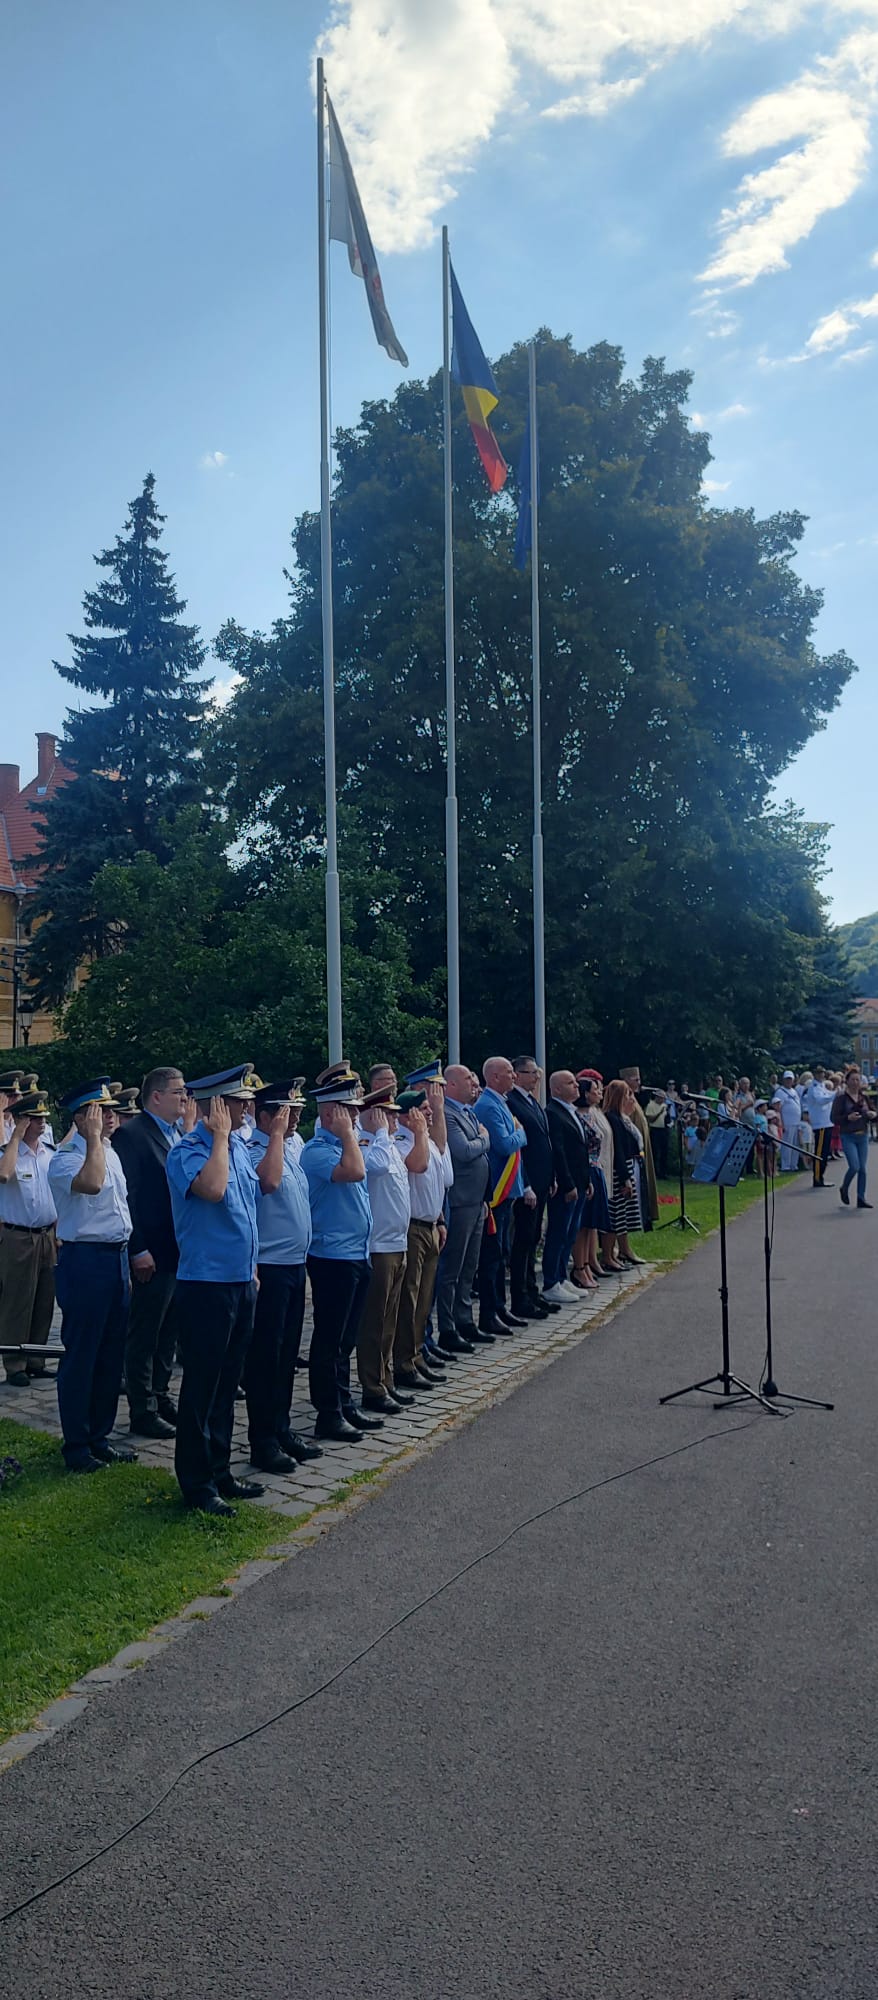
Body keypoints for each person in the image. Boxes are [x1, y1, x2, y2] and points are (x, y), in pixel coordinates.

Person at [166, 1064, 276, 1515]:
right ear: (216, 1107)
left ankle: (220, 1469)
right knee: (202, 1386)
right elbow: (212, 1191)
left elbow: (250, 1209)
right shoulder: (188, 1151)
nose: (246, 1108)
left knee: (229, 1384)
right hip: (205, 1285)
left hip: (239, 1281)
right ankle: (196, 1483)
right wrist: (216, 1138)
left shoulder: (238, 1151)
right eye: (236, 1102)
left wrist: (251, 1268)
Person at [48, 1079, 137, 1474]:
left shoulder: (111, 1153)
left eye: (112, 1110)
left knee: (110, 1354)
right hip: (84, 1261)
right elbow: (91, 1183)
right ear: (83, 1118)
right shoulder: (66, 1157)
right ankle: (77, 1444)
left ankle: (100, 1436)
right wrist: (94, 1139)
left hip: (115, 1258)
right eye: (102, 1112)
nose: (111, 1116)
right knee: (82, 1355)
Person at [243, 1080, 323, 1471]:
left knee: (288, 1355)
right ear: (265, 1116)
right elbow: (268, 1183)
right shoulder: (257, 1148)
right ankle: (263, 1440)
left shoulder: (292, 1147)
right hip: (270, 1269)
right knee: (266, 1358)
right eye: (285, 1112)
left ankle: (282, 1426)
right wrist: (274, 1134)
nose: (294, 1118)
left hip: (294, 1265)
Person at [300, 1063, 380, 1445]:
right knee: (329, 1339)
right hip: (331, 1256)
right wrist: (349, 1135)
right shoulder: (317, 1151)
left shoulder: (346, 1145)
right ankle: (327, 1413)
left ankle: (344, 1403)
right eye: (348, 1111)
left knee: (346, 1338)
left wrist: (350, 1135)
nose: (355, 1117)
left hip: (355, 1253)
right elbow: (354, 1174)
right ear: (330, 1113)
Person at [112, 1065, 190, 1439]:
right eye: (178, 1092)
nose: (185, 1098)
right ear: (156, 1096)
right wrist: (137, 1248)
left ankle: (160, 1395)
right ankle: (142, 1407)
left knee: (169, 1331)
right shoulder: (132, 1135)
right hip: (152, 1253)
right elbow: (128, 1197)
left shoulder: (176, 1134)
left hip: (178, 1252)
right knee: (145, 1332)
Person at [355, 1082, 415, 1414]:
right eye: (387, 1115)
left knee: (389, 1321)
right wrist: (376, 1132)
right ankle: (372, 1386)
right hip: (379, 1245)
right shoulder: (368, 1144)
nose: (393, 1121)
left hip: (397, 1240)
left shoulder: (388, 1144)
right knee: (375, 1322)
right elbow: (373, 1169)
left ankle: (386, 1378)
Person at [394, 1070, 453, 1388]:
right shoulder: (404, 1141)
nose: (429, 1114)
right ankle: (404, 1362)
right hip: (412, 1229)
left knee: (424, 1298)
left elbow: (440, 1176)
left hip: (430, 1225)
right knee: (410, 1300)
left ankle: (416, 1355)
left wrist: (440, 1220)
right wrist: (418, 1133)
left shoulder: (426, 1140)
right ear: (409, 1116)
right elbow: (417, 1166)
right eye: (424, 1110)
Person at [0, 1085, 57, 1387]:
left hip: (47, 1235)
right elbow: (4, 1175)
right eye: (35, 1118)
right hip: (18, 1237)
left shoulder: (49, 1153)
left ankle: (37, 1359)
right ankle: (14, 1363)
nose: (42, 1122)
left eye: (43, 1117)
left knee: (44, 1300)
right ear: (22, 1121)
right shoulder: (8, 1154)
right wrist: (15, 1139)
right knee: (17, 1302)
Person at [434, 1064, 491, 1352]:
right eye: (468, 1078)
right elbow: (464, 1151)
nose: (474, 1082)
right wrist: (485, 1139)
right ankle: (447, 1327)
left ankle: (465, 1319)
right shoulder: (448, 1113)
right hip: (460, 1201)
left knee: (469, 1266)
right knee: (451, 1269)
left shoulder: (467, 1112)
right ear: (451, 1085)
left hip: (476, 1200)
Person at [473, 1056, 528, 1335]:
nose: (514, 1077)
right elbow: (506, 1144)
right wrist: (521, 1133)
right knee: (491, 1256)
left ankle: (499, 1308)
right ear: (494, 1077)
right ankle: (489, 1312)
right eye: (509, 1072)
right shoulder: (487, 1106)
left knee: (501, 1252)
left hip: (509, 1191)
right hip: (496, 1192)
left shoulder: (500, 1103)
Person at [508, 1057, 555, 1319]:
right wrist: (525, 1183)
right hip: (527, 1184)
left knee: (534, 1237)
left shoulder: (531, 1101)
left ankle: (531, 1291)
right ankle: (520, 1297)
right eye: (531, 1073)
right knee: (523, 1240)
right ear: (517, 1074)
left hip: (542, 1180)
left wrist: (551, 1178)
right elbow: (520, 1150)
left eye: (537, 1073)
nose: (537, 1077)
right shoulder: (512, 1101)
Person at [543, 1071, 593, 1302]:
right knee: (559, 1232)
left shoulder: (571, 1112)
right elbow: (559, 1152)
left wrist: (587, 1182)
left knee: (571, 1233)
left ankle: (562, 1277)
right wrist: (569, 1184)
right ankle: (551, 1280)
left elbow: (581, 1151)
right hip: (566, 1185)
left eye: (575, 1082)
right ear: (556, 1089)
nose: (576, 1087)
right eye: (570, 1083)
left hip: (580, 1182)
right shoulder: (553, 1113)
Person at [601, 1079, 646, 1266]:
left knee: (624, 1214)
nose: (631, 1098)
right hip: (619, 1170)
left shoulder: (622, 1117)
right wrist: (625, 1178)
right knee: (616, 1214)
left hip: (628, 1164)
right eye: (628, 1094)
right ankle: (608, 1255)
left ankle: (621, 1250)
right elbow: (618, 1148)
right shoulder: (612, 1118)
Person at [619, 1066, 658, 1227]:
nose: (639, 1083)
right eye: (635, 1079)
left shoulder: (634, 1099)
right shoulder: (625, 1101)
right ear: (626, 1081)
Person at [832, 1066, 874, 1209]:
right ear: (847, 1081)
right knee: (854, 1166)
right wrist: (847, 1118)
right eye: (853, 1080)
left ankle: (861, 1197)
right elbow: (834, 1118)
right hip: (848, 1135)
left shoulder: (864, 1097)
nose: (856, 1082)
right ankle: (844, 1187)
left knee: (862, 1168)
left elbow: (873, 1112)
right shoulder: (841, 1099)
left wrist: (873, 1115)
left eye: (858, 1080)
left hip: (862, 1135)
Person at [801, 1066, 835, 1188]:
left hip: (827, 1122)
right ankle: (817, 1178)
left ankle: (821, 1176)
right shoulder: (813, 1088)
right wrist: (836, 1094)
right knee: (819, 1152)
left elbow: (829, 1094)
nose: (822, 1075)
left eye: (823, 1072)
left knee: (825, 1152)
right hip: (820, 1124)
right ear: (814, 1074)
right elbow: (821, 1100)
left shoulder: (821, 1086)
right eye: (819, 1073)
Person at [772, 1071, 802, 1173]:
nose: (789, 1081)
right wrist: (782, 1123)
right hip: (787, 1122)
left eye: (790, 1079)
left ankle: (794, 1165)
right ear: (783, 1080)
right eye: (787, 1079)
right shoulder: (780, 1092)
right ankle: (786, 1166)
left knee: (795, 1145)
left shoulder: (794, 1091)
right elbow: (778, 1108)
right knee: (787, 1144)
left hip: (796, 1122)